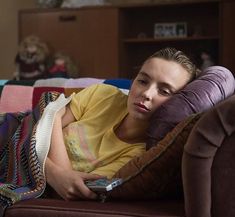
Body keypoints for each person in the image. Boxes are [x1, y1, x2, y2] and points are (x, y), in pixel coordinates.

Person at [45, 47, 198, 201]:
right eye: (143, 81)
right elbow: (41, 126)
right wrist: (54, 173)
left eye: (164, 91)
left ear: (178, 104)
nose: (146, 93)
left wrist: (55, 117)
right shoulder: (102, 94)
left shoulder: (139, 157)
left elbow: (70, 188)